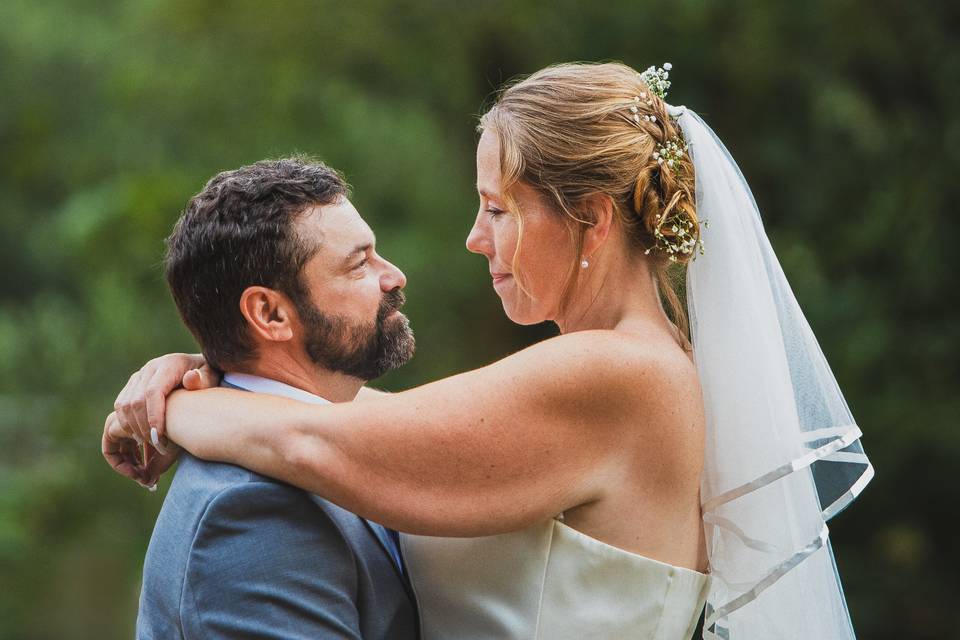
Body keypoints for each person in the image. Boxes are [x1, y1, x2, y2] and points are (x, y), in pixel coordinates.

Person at [105, 62, 873, 639]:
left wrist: (174, 408)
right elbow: (353, 417)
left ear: (593, 221)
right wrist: (196, 366)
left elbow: (311, 437)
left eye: (498, 210)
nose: (475, 240)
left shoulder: (614, 373)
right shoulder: (642, 366)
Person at [115, 158, 420, 639]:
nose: (394, 276)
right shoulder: (250, 511)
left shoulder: (329, 436)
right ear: (270, 314)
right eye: (360, 264)